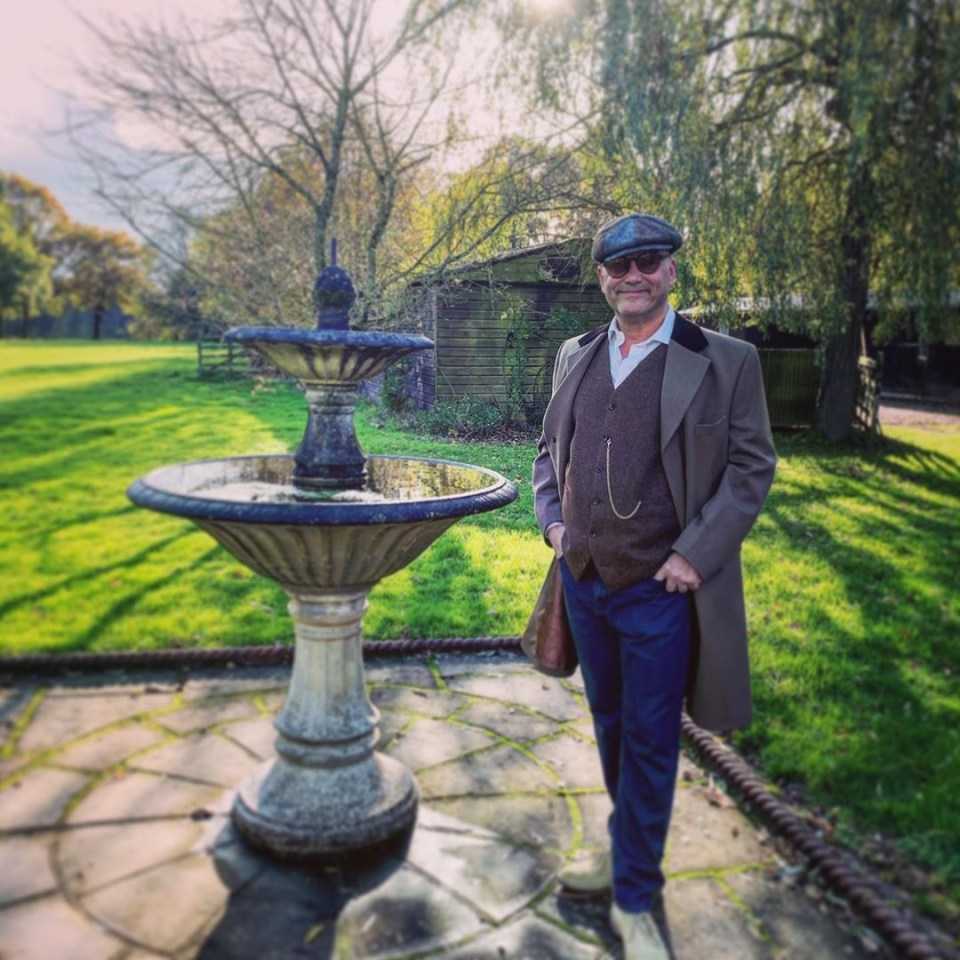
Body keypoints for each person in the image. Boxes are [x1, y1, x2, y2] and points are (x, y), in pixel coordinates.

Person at [532, 213, 776, 959]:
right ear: (602, 277)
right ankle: (627, 843)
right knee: (610, 724)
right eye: (617, 266)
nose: (631, 276)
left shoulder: (725, 361)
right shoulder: (574, 354)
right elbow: (548, 450)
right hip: (583, 580)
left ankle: (635, 897)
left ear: (670, 271)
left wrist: (694, 555)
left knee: (650, 738)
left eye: (647, 263)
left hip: (660, 591)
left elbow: (750, 468)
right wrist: (552, 525)